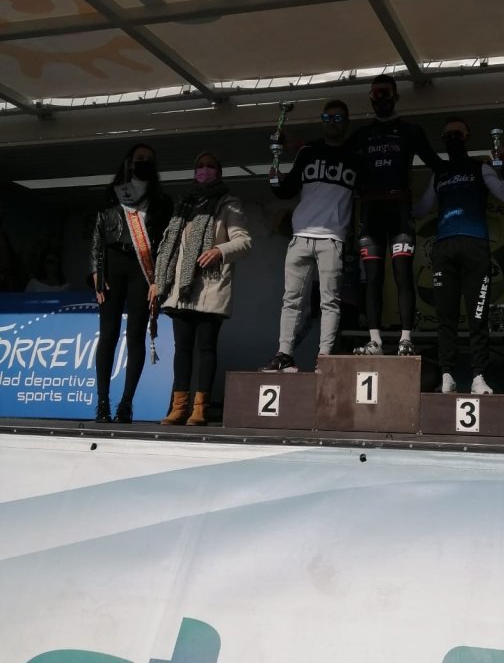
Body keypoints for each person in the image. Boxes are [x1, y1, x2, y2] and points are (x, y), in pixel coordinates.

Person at [413, 117, 504, 395]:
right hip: (444, 249)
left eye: (457, 134)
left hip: (475, 247)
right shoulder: (439, 174)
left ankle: (478, 377)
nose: (452, 138)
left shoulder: (480, 167)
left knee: (477, 315)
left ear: (467, 136)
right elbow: (421, 209)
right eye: (447, 135)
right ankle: (447, 375)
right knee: (445, 316)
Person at [344, 74, 444, 356]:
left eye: (386, 93)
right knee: (373, 278)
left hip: (400, 212)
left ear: (396, 96)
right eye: (376, 94)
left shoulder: (411, 131)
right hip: (371, 214)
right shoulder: (361, 135)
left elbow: (437, 164)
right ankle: (374, 341)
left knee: (403, 274)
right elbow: (337, 159)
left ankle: (406, 339)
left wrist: (475, 166)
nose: (381, 98)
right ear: (370, 97)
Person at [151, 153, 252, 427]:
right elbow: (169, 246)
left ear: (219, 172)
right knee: (182, 349)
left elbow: (244, 242)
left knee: (206, 348)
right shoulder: (183, 205)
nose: (204, 170)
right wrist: (159, 281)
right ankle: (178, 407)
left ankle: (200, 408)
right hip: (181, 289)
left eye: (210, 166)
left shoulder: (228, 204)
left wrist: (219, 250)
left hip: (210, 287)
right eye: (200, 166)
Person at [263, 100, 360, 371]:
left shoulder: (355, 155)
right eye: (327, 118)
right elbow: (286, 190)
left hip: (332, 237)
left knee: (330, 301)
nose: (332, 123)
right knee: (291, 300)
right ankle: (284, 354)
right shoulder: (308, 153)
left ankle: (325, 357)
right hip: (301, 235)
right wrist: (274, 178)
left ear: (346, 122)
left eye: (338, 118)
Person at [89, 144, 172, 423]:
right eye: (139, 159)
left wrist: (159, 278)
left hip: (142, 269)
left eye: (149, 160)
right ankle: (102, 403)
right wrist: (96, 270)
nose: (143, 163)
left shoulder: (161, 200)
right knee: (108, 334)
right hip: (113, 263)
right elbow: (98, 231)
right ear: (129, 162)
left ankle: (126, 404)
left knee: (135, 335)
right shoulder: (113, 192)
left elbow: (166, 243)